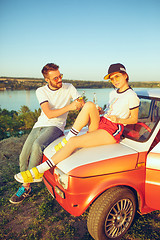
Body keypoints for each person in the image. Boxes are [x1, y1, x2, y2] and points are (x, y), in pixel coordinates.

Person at [14, 63, 140, 184]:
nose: (114, 81)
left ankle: (39, 170)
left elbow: (134, 119)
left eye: (117, 76)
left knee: (72, 142)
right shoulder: (113, 93)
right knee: (90, 105)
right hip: (102, 122)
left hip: (112, 130)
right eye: (112, 79)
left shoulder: (132, 95)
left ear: (125, 75)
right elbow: (110, 110)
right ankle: (68, 138)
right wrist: (101, 111)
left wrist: (118, 120)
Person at [9, 63, 83, 203]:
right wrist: (70, 107)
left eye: (60, 76)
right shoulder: (41, 91)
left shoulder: (69, 87)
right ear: (47, 80)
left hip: (56, 126)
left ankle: (26, 187)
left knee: (37, 145)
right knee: (23, 155)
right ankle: (27, 182)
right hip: (40, 124)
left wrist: (80, 102)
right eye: (55, 78)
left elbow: (79, 101)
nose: (59, 80)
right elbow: (48, 114)